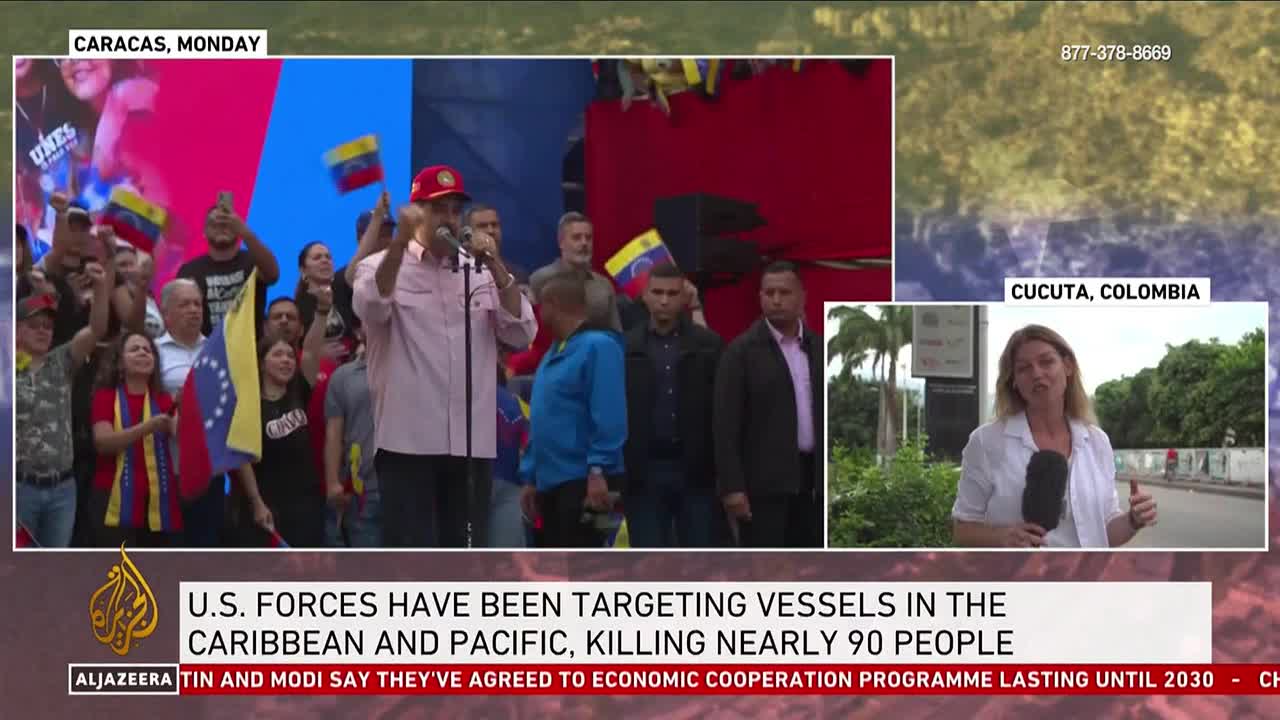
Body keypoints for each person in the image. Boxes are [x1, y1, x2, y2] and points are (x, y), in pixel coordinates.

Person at [353, 164, 536, 548]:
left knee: (465, 559)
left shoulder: (477, 271)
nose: (449, 220)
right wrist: (399, 244)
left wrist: (497, 267)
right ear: (417, 212)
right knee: (413, 560)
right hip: (409, 443)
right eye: (439, 210)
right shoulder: (379, 265)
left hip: (471, 443)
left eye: (455, 210)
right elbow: (371, 307)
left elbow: (522, 332)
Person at [951, 324, 1159, 549]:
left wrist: (1132, 520)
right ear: (1014, 381)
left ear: (1068, 366)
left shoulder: (1097, 441)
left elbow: (1104, 534)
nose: (1037, 374)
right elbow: (962, 530)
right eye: (1023, 368)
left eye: (1046, 362)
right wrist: (1002, 537)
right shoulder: (986, 442)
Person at [713, 261, 823, 548]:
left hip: (812, 482)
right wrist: (733, 487)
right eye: (769, 293)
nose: (776, 300)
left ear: (802, 297)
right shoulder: (741, 352)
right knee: (766, 570)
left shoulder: (818, 347)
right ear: (759, 297)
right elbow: (725, 426)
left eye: (784, 292)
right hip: (762, 485)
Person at [519, 272, 627, 548]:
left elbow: (609, 413)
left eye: (541, 307)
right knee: (553, 572)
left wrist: (598, 470)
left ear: (553, 305)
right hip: (551, 482)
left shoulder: (599, 346)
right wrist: (531, 476)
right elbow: (541, 420)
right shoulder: (552, 354)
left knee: (586, 571)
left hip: (586, 482)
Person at [622, 263, 726, 547]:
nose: (664, 300)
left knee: (698, 562)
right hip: (644, 470)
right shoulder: (626, 346)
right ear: (645, 295)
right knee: (648, 563)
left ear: (684, 298)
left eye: (672, 293)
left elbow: (721, 412)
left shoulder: (709, 346)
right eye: (657, 292)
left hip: (695, 470)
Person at [15, 261, 112, 548]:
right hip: (18, 488)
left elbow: (97, 329)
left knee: (54, 570)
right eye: (35, 325)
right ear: (16, 329)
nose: (43, 331)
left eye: (48, 325)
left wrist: (102, 286)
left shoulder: (61, 361)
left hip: (63, 490)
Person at [232, 288, 329, 548]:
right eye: (277, 355)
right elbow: (242, 458)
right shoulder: (249, 403)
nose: (286, 360)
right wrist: (256, 502)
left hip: (306, 502)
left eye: (289, 356)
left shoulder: (299, 389)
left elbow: (309, 352)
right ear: (262, 363)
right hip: (267, 505)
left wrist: (322, 311)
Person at [89, 331, 182, 546]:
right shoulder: (106, 396)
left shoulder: (163, 398)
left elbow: (181, 438)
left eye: (148, 350)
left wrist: (184, 408)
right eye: (134, 349)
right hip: (113, 500)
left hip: (159, 502)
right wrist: (148, 427)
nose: (143, 352)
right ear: (120, 363)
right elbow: (103, 444)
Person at [510, 212, 623, 378]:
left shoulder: (603, 285)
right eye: (577, 238)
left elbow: (615, 333)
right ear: (561, 242)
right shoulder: (539, 280)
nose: (584, 243)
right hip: (553, 371)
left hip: (596, 369)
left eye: (588, 238)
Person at [176, 195, 279, 337]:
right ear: (204, 232)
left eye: (227, 224)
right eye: (214, 224)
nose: (221, 228)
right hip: (207, 352)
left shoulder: (253, 261)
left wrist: (245, 232)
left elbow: (272, 275)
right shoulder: (190, 270)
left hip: (250, 350)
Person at [322, 338, 382, 548]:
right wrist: (332, 482)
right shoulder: (343, 377)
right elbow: (333, 434)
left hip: (407, 487)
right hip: (361, 491)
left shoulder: (413, 370)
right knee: (367, 573)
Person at [491, 361, 531, 548]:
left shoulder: (467, 397)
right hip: (511, 483)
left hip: (472, 480)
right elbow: (530, 442)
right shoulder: (516, 402)